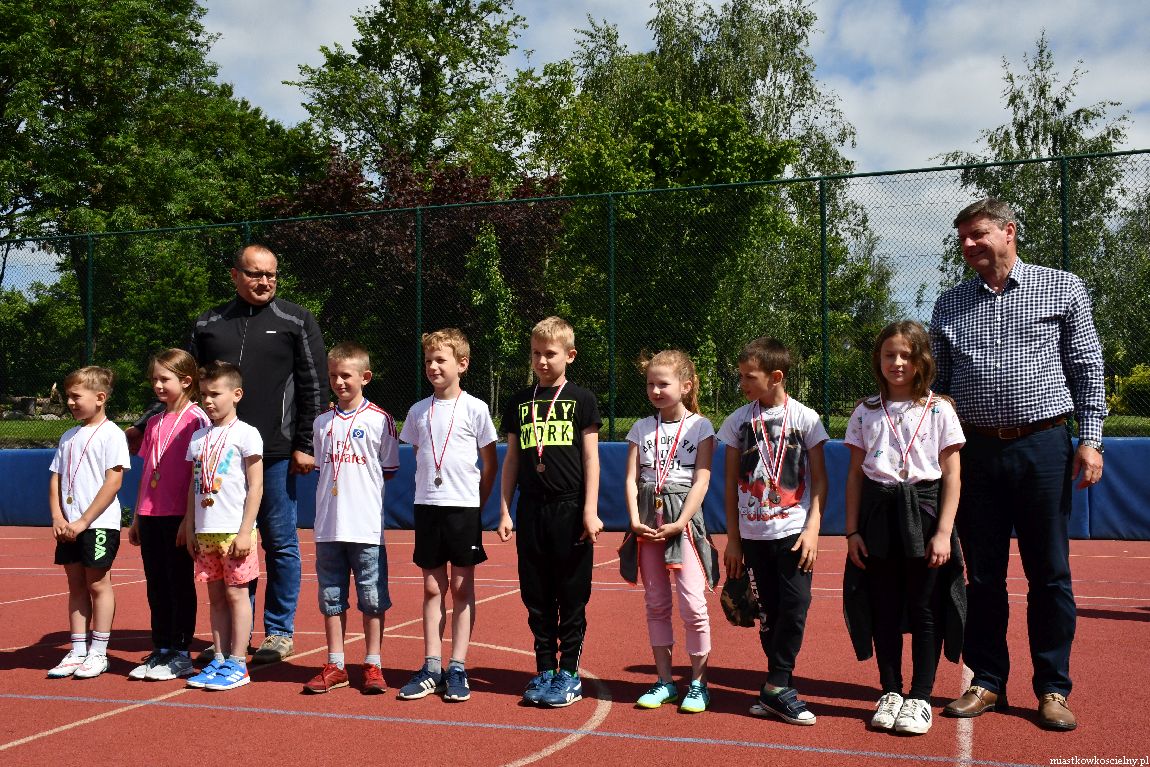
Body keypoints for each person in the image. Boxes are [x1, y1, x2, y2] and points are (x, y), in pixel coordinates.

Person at [931, 197, 1105, 731]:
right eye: (962, 238)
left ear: (1009, 231)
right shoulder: (949, 303)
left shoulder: (1062, 286)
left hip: (1043, 446)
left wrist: (1091, 439)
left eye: (978, 234)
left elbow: (1087, 368)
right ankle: (987, 681)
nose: (968, 245)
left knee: (1049, 574)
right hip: (975, 453)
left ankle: (1053, 688)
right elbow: (938, 383)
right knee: (983, 576)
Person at [129, 244, 327, 665]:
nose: (265, 282)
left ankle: (279, 632)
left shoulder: (296, 319)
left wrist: (306, 444)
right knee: (229, 543)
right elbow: (181, 382)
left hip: (273, 453)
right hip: (216, 455)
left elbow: (314, 384)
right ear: (235, 275)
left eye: (271, 274)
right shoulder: (209, 322)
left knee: (279, 542)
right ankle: (238, 636)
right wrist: (144, 424)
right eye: (255, 274)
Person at [842, 321, 966, 735]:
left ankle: (920, 697)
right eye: (889, 355)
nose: (897, 362)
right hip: (878, 519)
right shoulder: (865, 411)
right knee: (884, 608)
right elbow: (854, 476)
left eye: (906, 355)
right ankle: (891, 691)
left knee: (925, 608)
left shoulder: (940, 409)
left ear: (921, 360)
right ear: (878, 359)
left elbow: (953, 476)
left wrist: (944, 532)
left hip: (925, 517)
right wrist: (852, 532)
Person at [718, 337, 827, 725]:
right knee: (768, 614)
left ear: (776, 376)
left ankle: (777, 686)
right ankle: (779, 688)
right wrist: (733, 540)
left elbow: (821, 482)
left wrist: (813, 530)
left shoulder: (806, 419)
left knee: (796, 606)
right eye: (740, 376)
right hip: (752, 536)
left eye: (750, 377)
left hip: (794, 532)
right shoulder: (737, 422)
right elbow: (729, 485)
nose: (742, 384)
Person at [498, 316, 603, 708]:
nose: (542, 361)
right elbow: (512, 460)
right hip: (531, 509)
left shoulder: (582, 400)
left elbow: (591, 459)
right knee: (536, 595)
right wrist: (505, 510)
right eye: (536, 353)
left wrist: (589, 510)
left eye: (551, 354)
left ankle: (569, 673)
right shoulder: (519, 402)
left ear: (570, 355)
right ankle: (545, 668)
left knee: (571, 595)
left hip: (570, 508)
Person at [396, 329, 498, 703]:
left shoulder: (476, 409)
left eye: (441, 359)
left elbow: (490, 463)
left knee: (461, 588)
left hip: (463, 508)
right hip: (427, 506)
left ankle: (457, 666)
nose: (433, 366)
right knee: (431, 587)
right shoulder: (417, 411)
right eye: (428, 360)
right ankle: (431, 666)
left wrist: (477, 503)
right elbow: (419, 455)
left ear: (462, 364)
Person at [622, 350, 717, 713]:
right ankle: (665, 681)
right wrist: (634, 518)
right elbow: (631, 479)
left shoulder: (701, 427)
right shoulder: (640, 428)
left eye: (663, 383)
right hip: (648, 518)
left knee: (693, 603)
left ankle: (699, 683)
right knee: (656, 603)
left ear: (686, 386)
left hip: (683, 520)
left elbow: (702, 479)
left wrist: (682, 522)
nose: (656, 390)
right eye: (650, 384)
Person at [303, 342, 399, 695]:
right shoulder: (322, 422)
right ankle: (336, 664)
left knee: (372, 598)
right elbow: (321, 468)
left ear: (365, 377)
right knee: (331, 598)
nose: (339, 382)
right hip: (328, 527)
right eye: (333, 376)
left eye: (346, 375)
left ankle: (373, 663)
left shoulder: (380, 420)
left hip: (365, 527)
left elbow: (388, 468)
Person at [127, 350, 210, 681]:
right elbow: (148, 472)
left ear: (186, 381)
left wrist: (189, 520)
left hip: (178, 515)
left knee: (178, 583)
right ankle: (160, 647)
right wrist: (137, 515)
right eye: (154, 379)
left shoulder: (197, 420)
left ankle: (180, 651)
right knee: (156, 582)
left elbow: (198, 474)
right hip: (150, 513)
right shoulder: (153, 422)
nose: (158, 385)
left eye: (165, 379)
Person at [183, 362, 264, 691]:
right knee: (215, 597)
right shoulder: (198, 437)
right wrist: (190, 525)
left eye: (215, 394)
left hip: (234, 530)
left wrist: (245, 530)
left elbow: (256, 486)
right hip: (206, 531)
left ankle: (238, 662)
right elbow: (193, 485)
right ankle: (218, 658)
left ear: (237, 394)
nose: (208, 400)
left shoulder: (247, 434)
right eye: (203, 394)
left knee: (236, 594)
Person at [47, 367, 131, 680]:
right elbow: (55, 479)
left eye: (75, 396)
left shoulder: (112, 434)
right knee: (75, 585)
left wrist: (84, 520)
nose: (70, 402)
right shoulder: (68, 436)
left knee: (97, 584)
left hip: (98, 525)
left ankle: (99, 652)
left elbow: (114, 481)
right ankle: (77, 649)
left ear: (100, 398)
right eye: (67, 396)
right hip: (68, 525)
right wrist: (57, 516)